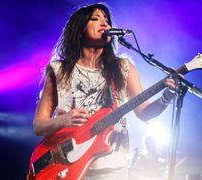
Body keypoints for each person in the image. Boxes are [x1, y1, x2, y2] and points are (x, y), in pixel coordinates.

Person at [33, 3, 177, 180]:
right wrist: (63, 120)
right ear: (79, 30)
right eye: (95, 19)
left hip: (111, 168)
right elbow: (38, 126)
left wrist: (166, 97)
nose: (105, 24)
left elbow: (144, 113)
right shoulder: (59, 70)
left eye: (107, 20)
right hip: (66, 165)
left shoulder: (123, 67)